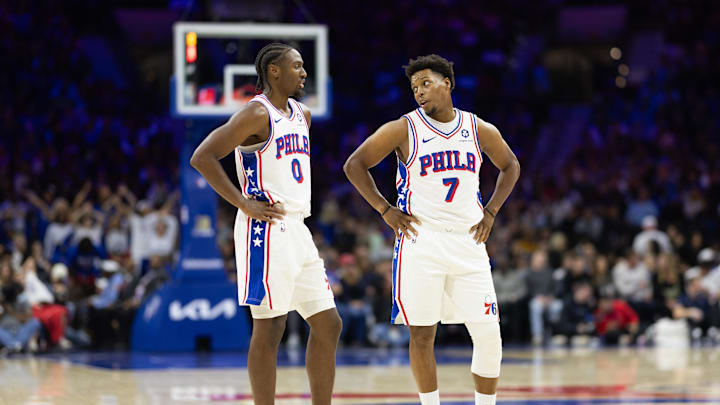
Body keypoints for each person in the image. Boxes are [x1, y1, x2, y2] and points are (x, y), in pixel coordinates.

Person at [344, 54, 520, 405]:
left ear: (447, 84)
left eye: (426, 83)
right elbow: (355, 164)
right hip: (421, 242)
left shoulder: (478, 128)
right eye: (414, 87)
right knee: (423, 335)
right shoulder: (403, 128)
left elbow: (510, 165)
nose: (419, 92)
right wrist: (384, 209)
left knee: (488, 335)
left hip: (469, 242)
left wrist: (492, 211)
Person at [190, 43, 341, 405]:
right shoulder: (256, 113)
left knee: (328, 323)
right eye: (297, 66)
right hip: (266, 229)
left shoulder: (302, 114)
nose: (304, 73)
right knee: (271, 326)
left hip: (298, 228)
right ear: (274, 70)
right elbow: (203, 156)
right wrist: (242, 201)